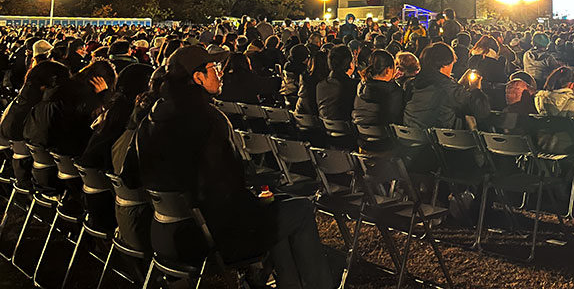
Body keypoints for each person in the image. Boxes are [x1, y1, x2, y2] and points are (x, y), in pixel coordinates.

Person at [135, 45, 332, 288]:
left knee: (274, 213)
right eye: (213, 68)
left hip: (166, 231)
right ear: (198, 78)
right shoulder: (209, 120)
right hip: (213, 234)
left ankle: (289, 282)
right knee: (298, 208)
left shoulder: (150, 119)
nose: (220, 73)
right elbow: (228, 186)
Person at [403, 43, 489, 130]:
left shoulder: (412, 84)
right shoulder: (447, 87)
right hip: (438, 140)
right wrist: (475, 89)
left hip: (409, 137)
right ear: (444, 64)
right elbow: (481, 110)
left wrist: (458, 84)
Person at [352, 49, 404, 127]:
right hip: (385, 136)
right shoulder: (394, 92)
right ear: (388, 70)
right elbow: (395, 119)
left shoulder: (361, 86)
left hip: (361, 135)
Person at [466, 35, 509, 109]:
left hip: (472, 95)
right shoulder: (495, 63)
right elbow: (502, 79)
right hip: (491, 98)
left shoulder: (472, 59)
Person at [316, 44, 357, 121]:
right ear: (350, 64)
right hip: (348, 129)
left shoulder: (321, 85)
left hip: (326, 129)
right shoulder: (353, 86)